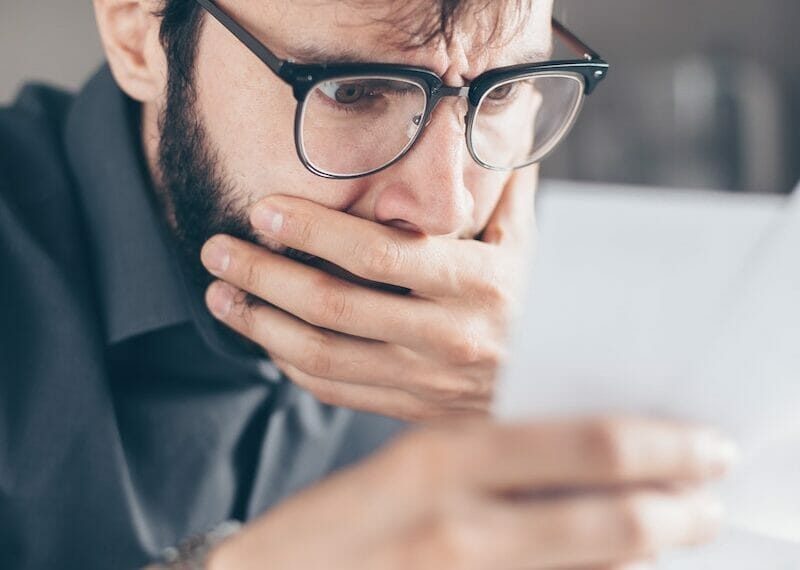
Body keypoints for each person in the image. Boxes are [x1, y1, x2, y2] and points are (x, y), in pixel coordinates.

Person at [0, 0, 738, 568]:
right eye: (352, 91)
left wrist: (549, 396)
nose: (444, 210)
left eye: (502, 93)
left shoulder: (545, 329)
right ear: (139, 32)